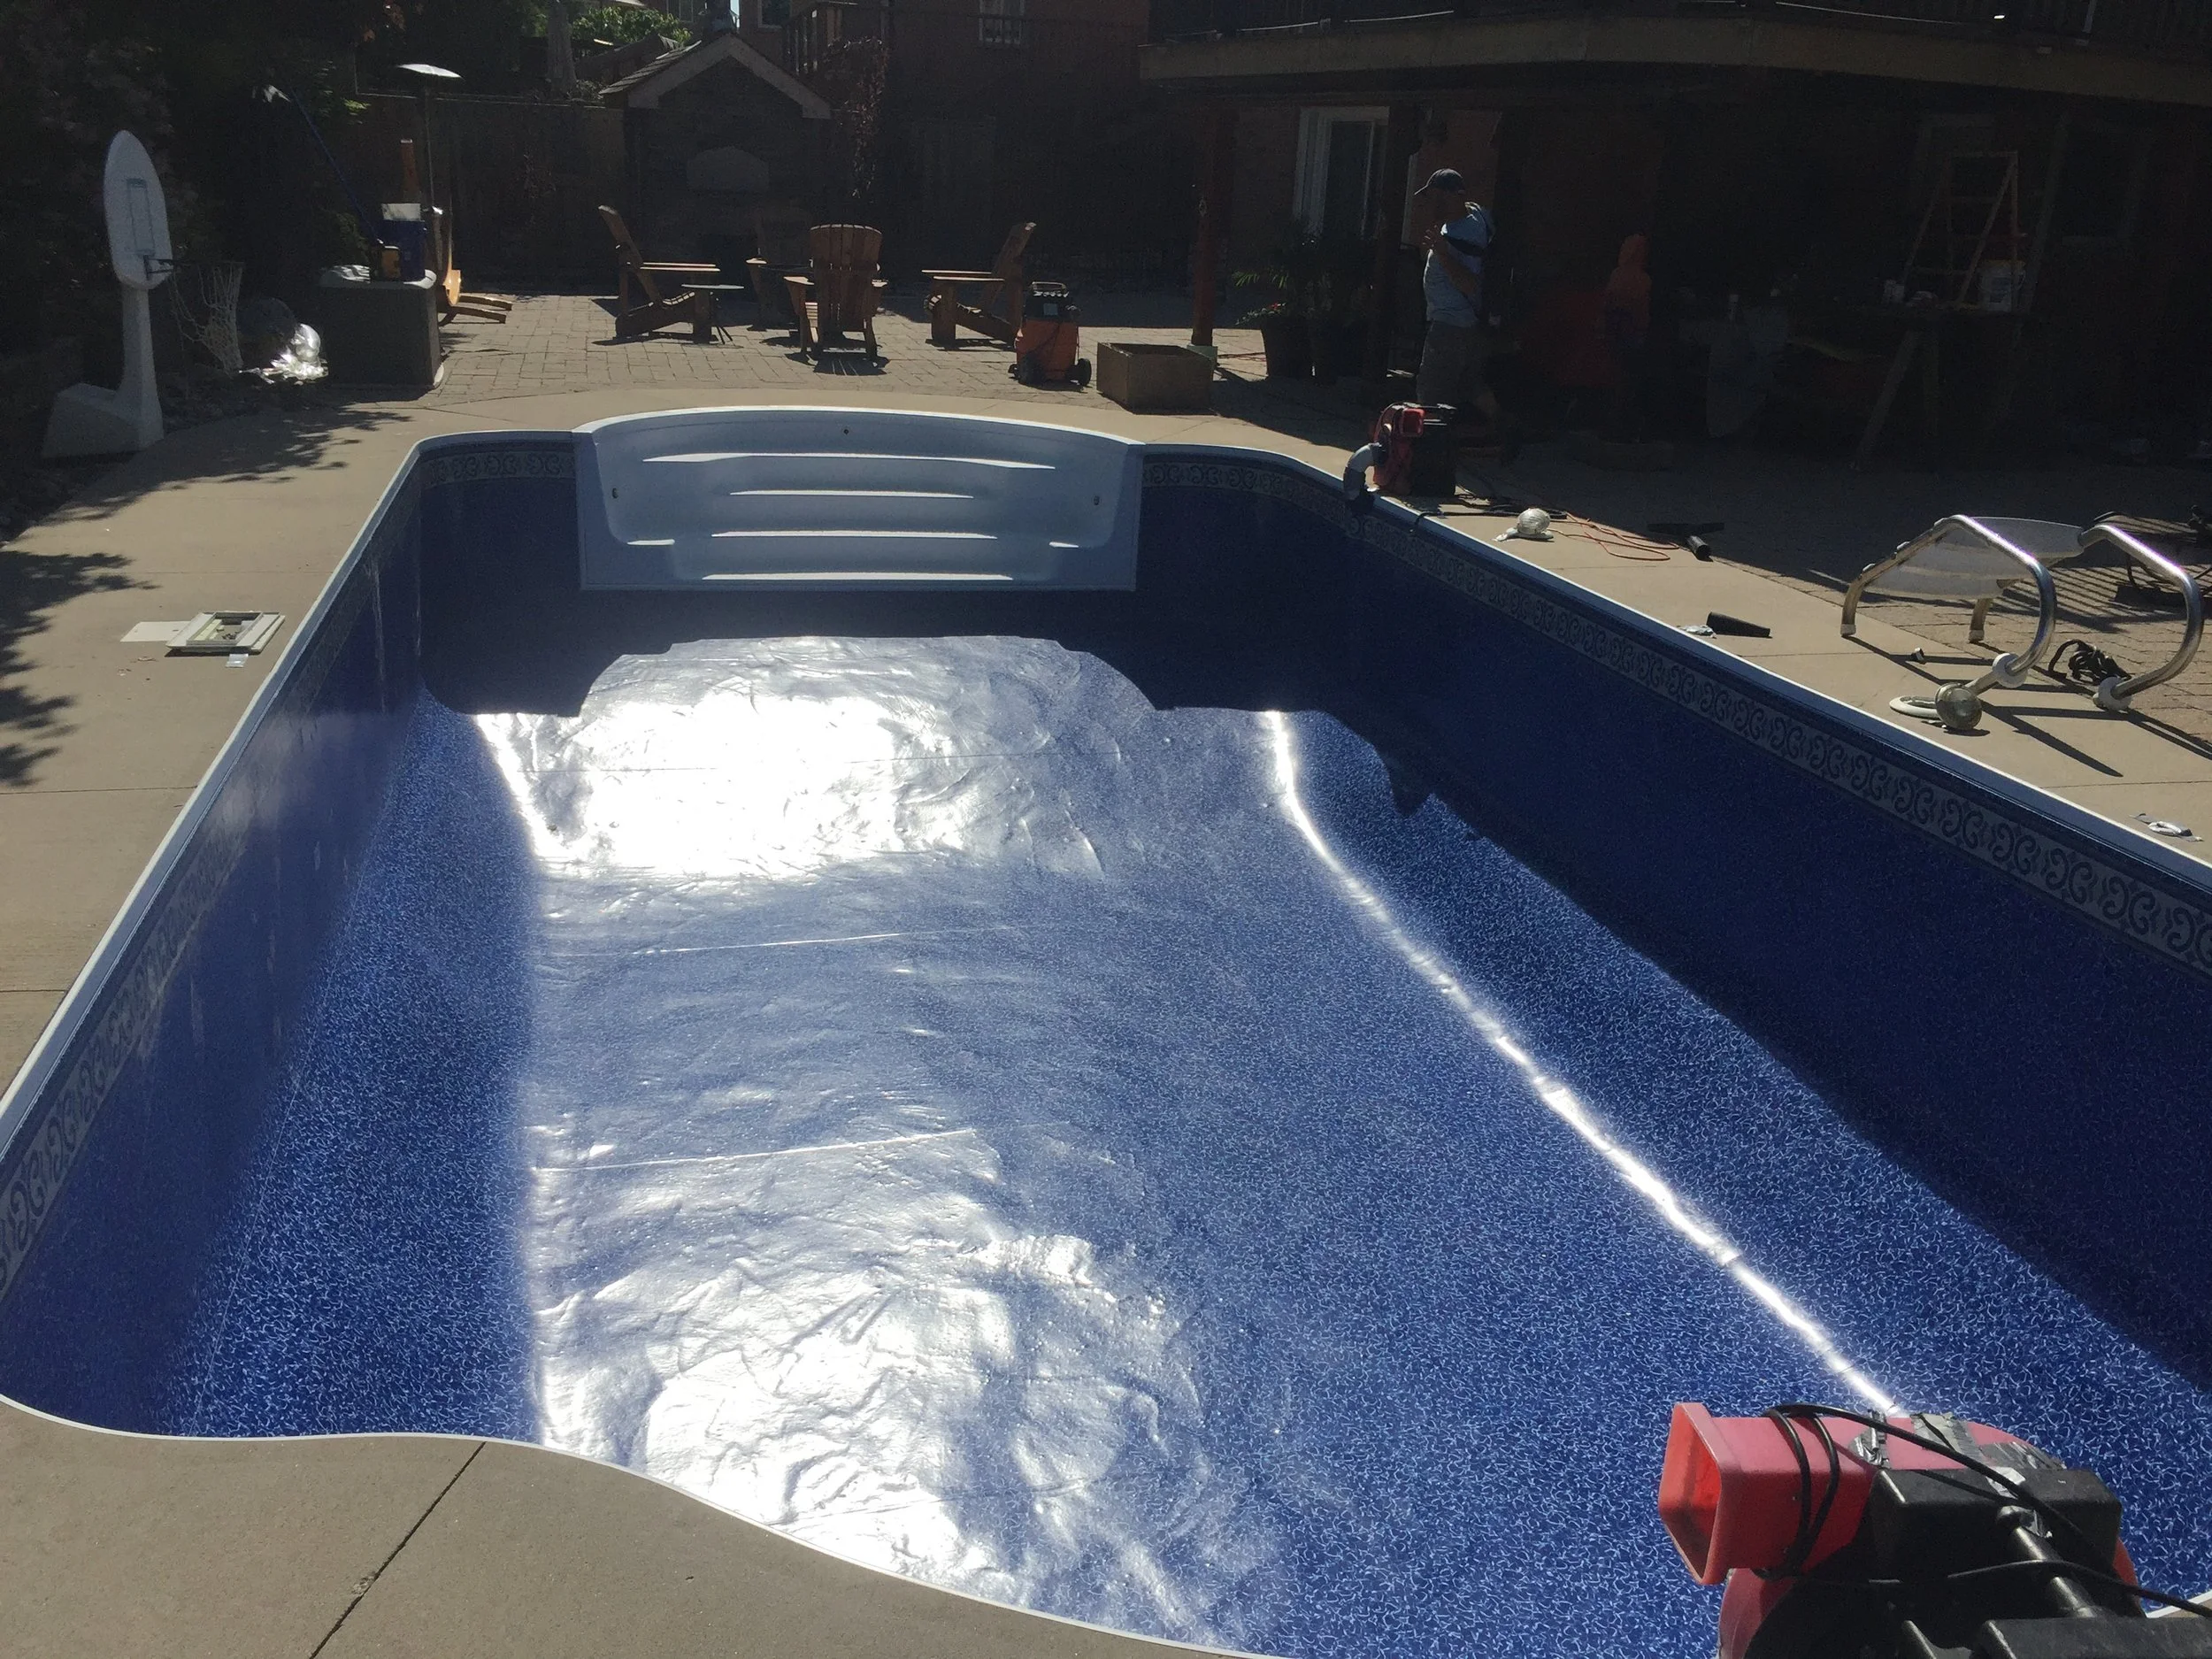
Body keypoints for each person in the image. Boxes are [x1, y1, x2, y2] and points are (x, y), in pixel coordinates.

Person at [1412, 169, 1502, 430]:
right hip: (1466, 324)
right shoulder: (1471, 218)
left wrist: (1442, 252)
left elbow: (1469, 283)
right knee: (1469, 385)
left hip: (1450, 325)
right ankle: (1504, 428)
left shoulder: (1464, 234)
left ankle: (1430, 445)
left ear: (1451, 196)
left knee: (1431, 390)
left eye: (1434, 196)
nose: (1430, 203)